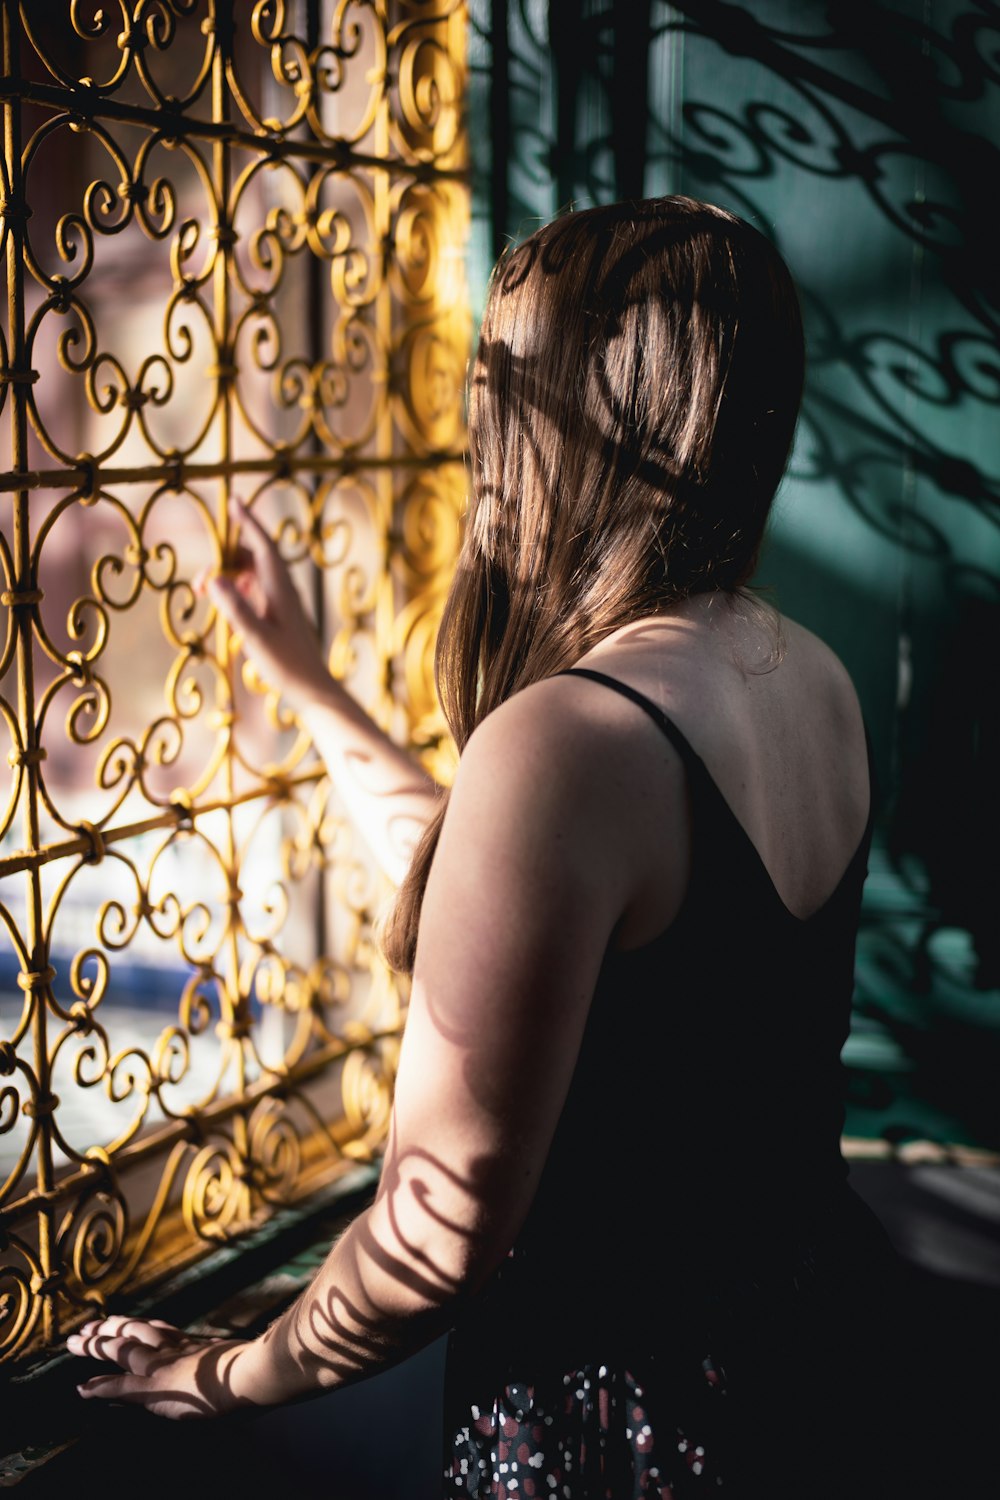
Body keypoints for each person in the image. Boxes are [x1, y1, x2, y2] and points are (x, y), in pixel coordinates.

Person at [66, 197, 905, 1498]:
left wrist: (216, 1377)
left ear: (575, 424)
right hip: (819, 1373)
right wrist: (317, 695)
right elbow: (527, 906)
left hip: (626, 1434)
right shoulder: (810, 677)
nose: (480, 435)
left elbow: (434, 1238)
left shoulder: (569, 742)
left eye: (501, 390)